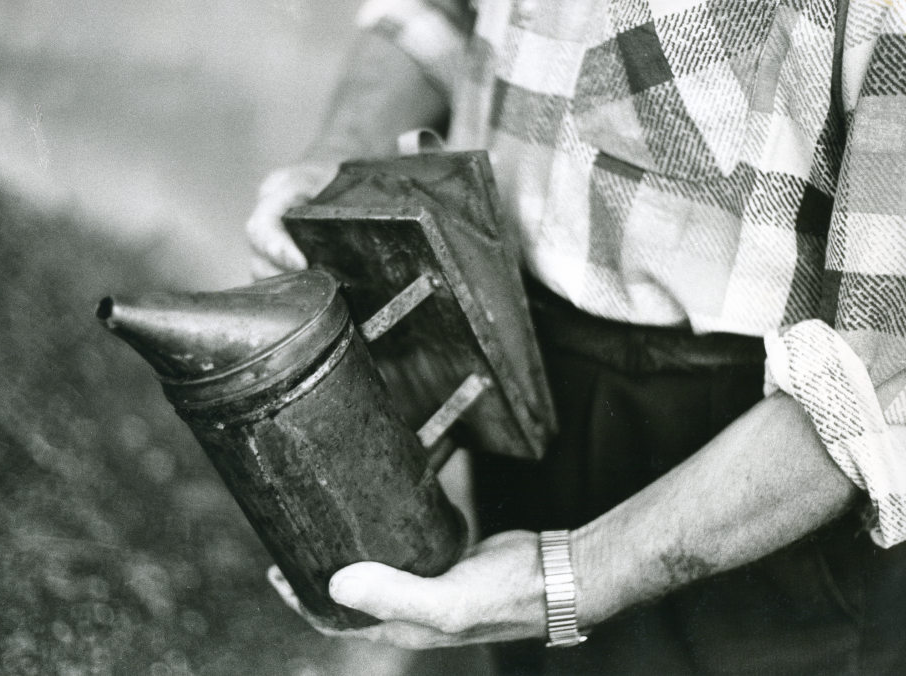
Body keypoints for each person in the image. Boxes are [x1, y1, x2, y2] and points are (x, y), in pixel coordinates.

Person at [248, 0, 906, 673]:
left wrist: (558, 584)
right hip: (517, 361)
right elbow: (436, 12)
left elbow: (878, 384)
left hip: (754, 468)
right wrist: (336, 153)